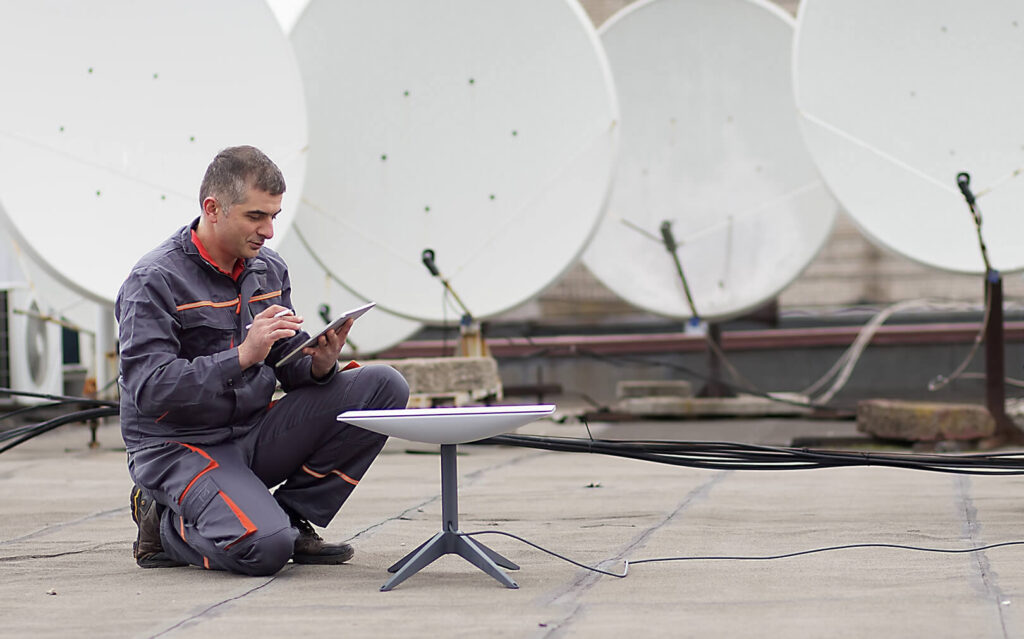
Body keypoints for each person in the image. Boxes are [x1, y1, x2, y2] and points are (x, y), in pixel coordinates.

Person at [116, 145, 409, 576]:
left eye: (273, 215)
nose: (269, 231)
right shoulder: (154, 280)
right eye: (256, 216)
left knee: (384, 386)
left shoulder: (266, 269)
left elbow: (285, 363)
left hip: (249, 433)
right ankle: (163, 526)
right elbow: (150, 388)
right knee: (265, 551)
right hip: (179, 446)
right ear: (212, 209)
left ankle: (289, 516)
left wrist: (318, 364)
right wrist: (240, 357)